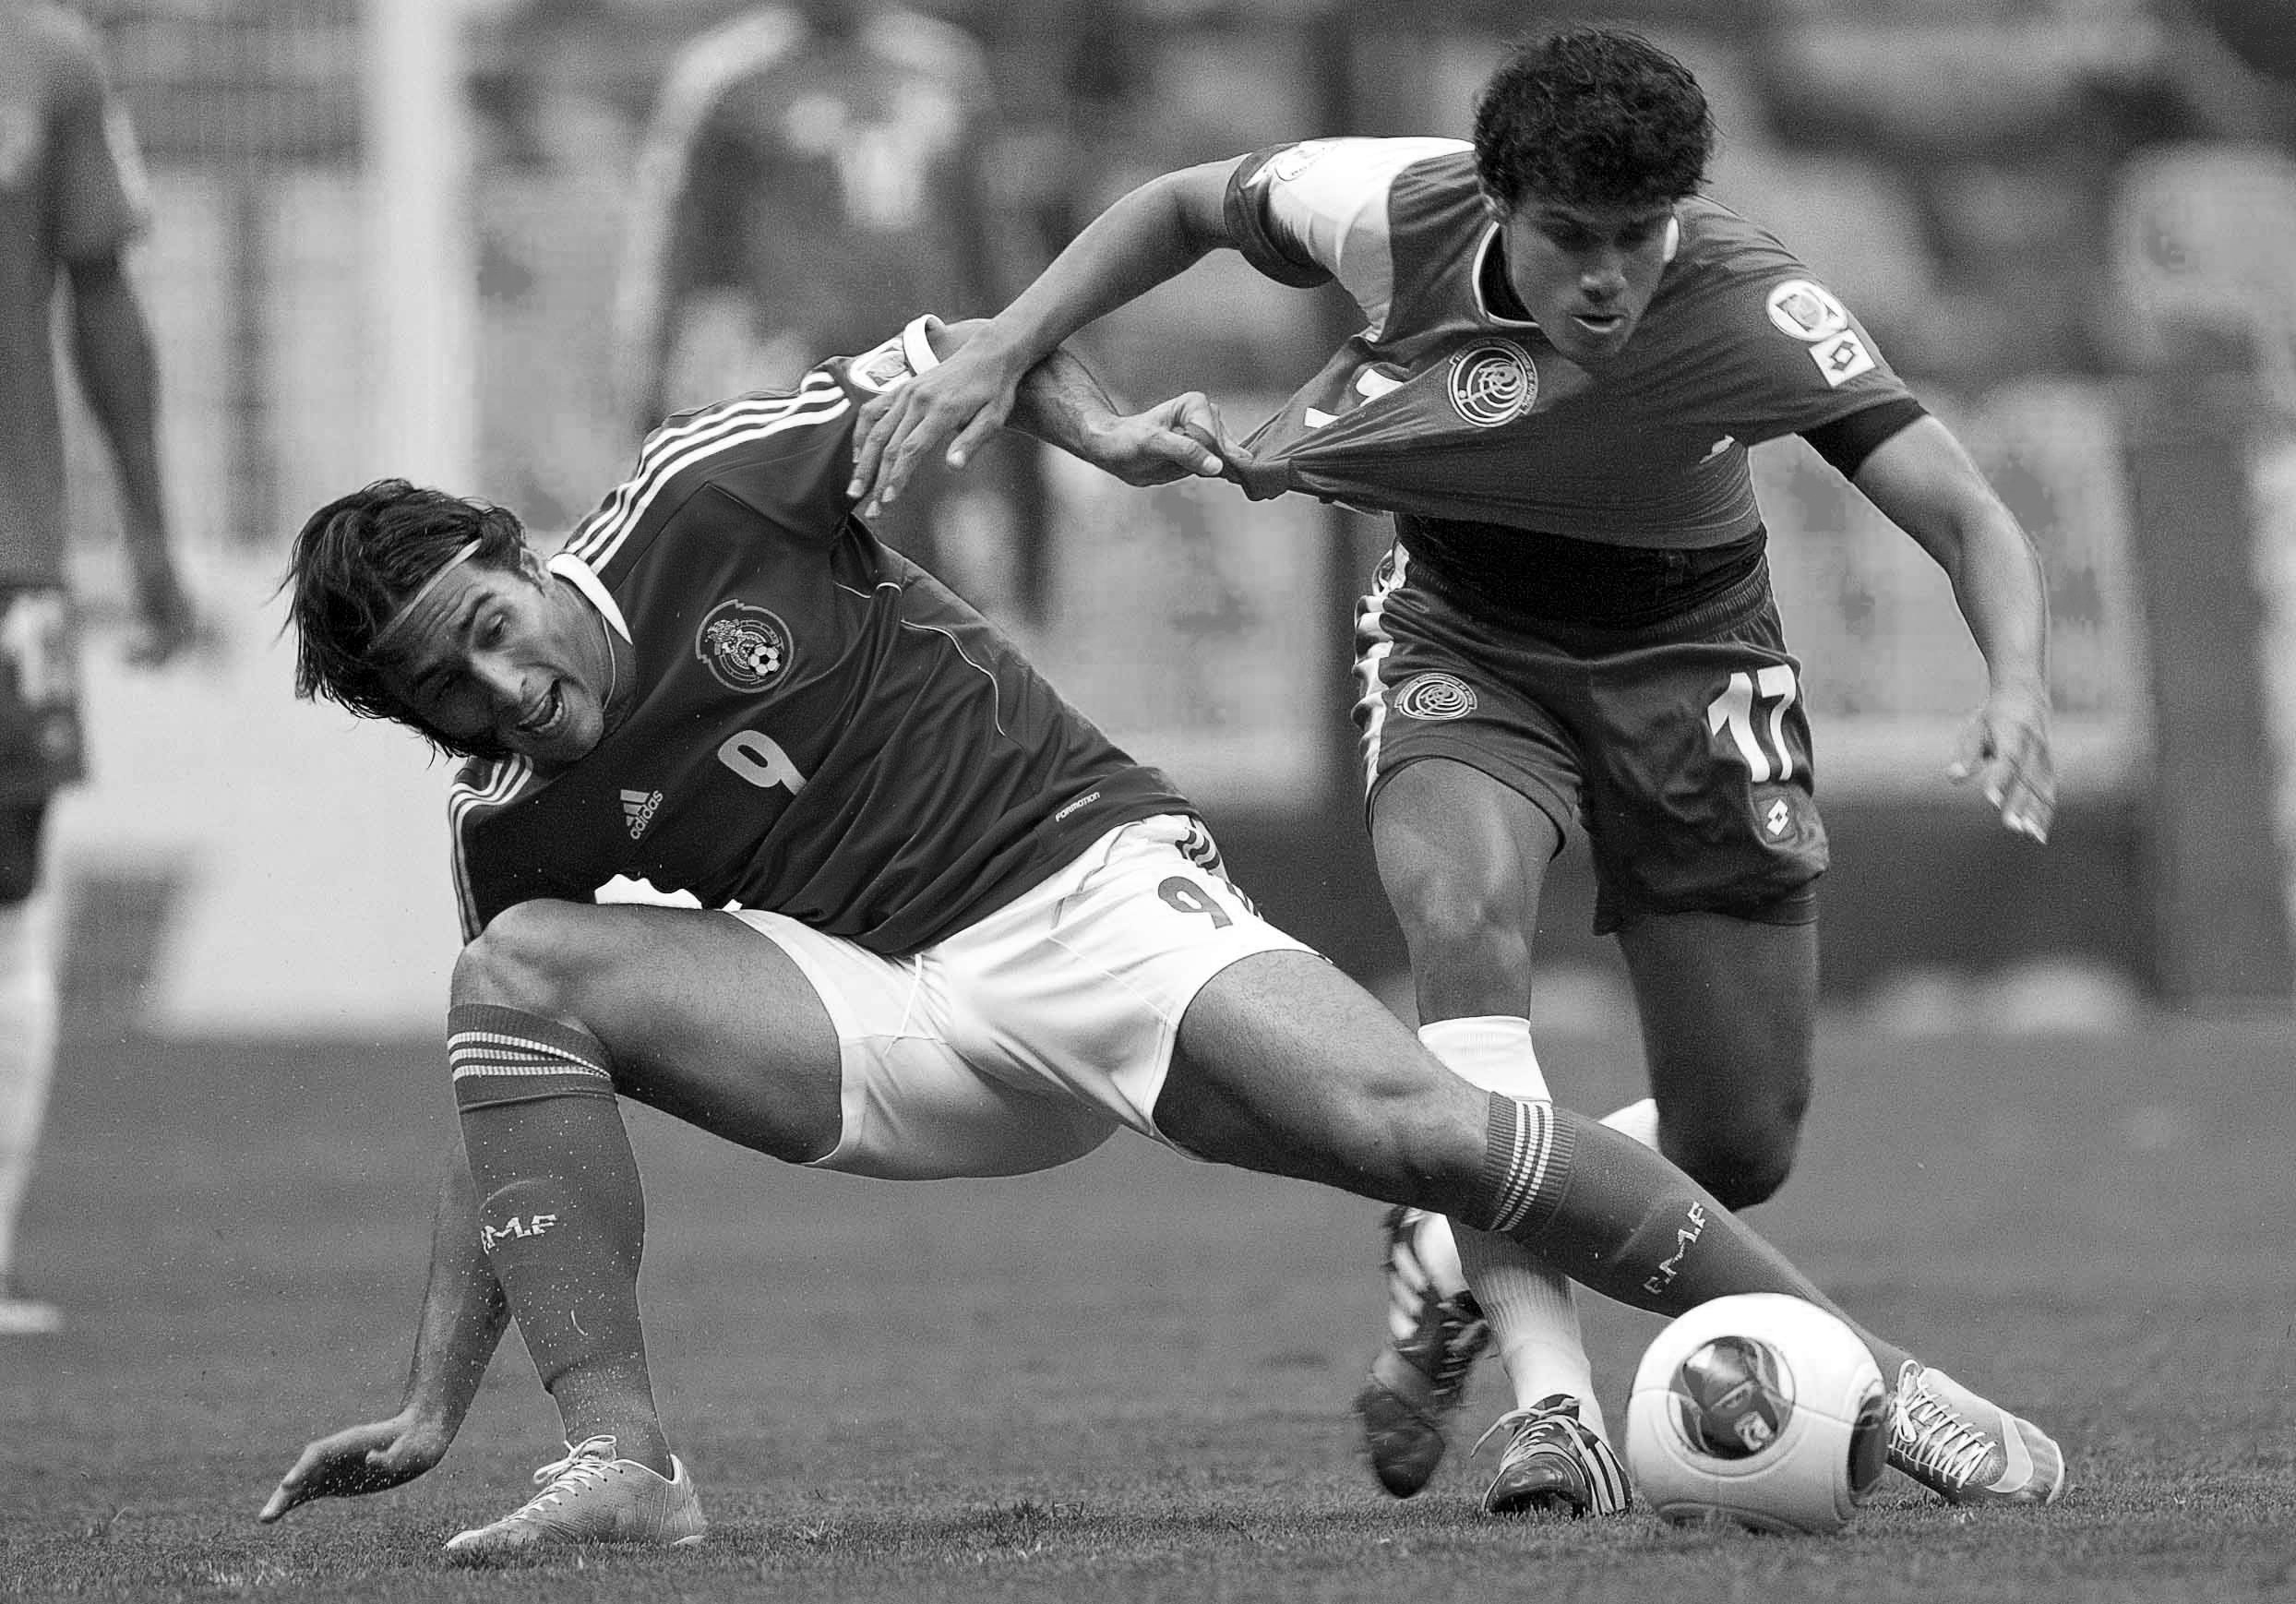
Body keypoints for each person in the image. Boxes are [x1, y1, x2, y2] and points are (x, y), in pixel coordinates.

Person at [254, 316, 2063, 1557]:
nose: (505, 683)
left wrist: (1102, 429)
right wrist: (428, 1401)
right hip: (899, 1022)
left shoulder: (706, 492)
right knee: (515, 971)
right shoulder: (506, 814)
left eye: (491, 621)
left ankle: (1885, 1381)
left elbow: (985, 338)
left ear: (515, 547)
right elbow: (505, 1092)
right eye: (446, 685)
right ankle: (621, 1460)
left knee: (1429, 1131)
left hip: (1082, 887)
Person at [846, 24, 2058, 1518]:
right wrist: (1010, 335)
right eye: (1570, 239)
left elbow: (1964, 509)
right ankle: (1554, 1411)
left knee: (1737, 1144)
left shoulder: (1750, 301)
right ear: (1495, 203)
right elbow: (1180, 205)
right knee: (1462, 931)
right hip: (1462, 642)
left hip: (1693, 664)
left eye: (1640, 236)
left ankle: (1445, 1240)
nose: (1610, 276)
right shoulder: (1390, 206)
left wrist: (2016, 685)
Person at [0, 0, 198, 1335]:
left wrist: (148, 532)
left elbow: (102, 293)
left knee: (8, 892)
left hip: (6, 550)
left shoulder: (44, 53)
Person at [613, 0, 1038, 590]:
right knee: (799, 590)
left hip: (929, 371)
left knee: (942, 598)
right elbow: (674, 255)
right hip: (799, 387)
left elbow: (993, 245)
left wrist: (1030, 350)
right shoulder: (728, 79)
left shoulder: (941, 66)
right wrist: (650, 389)